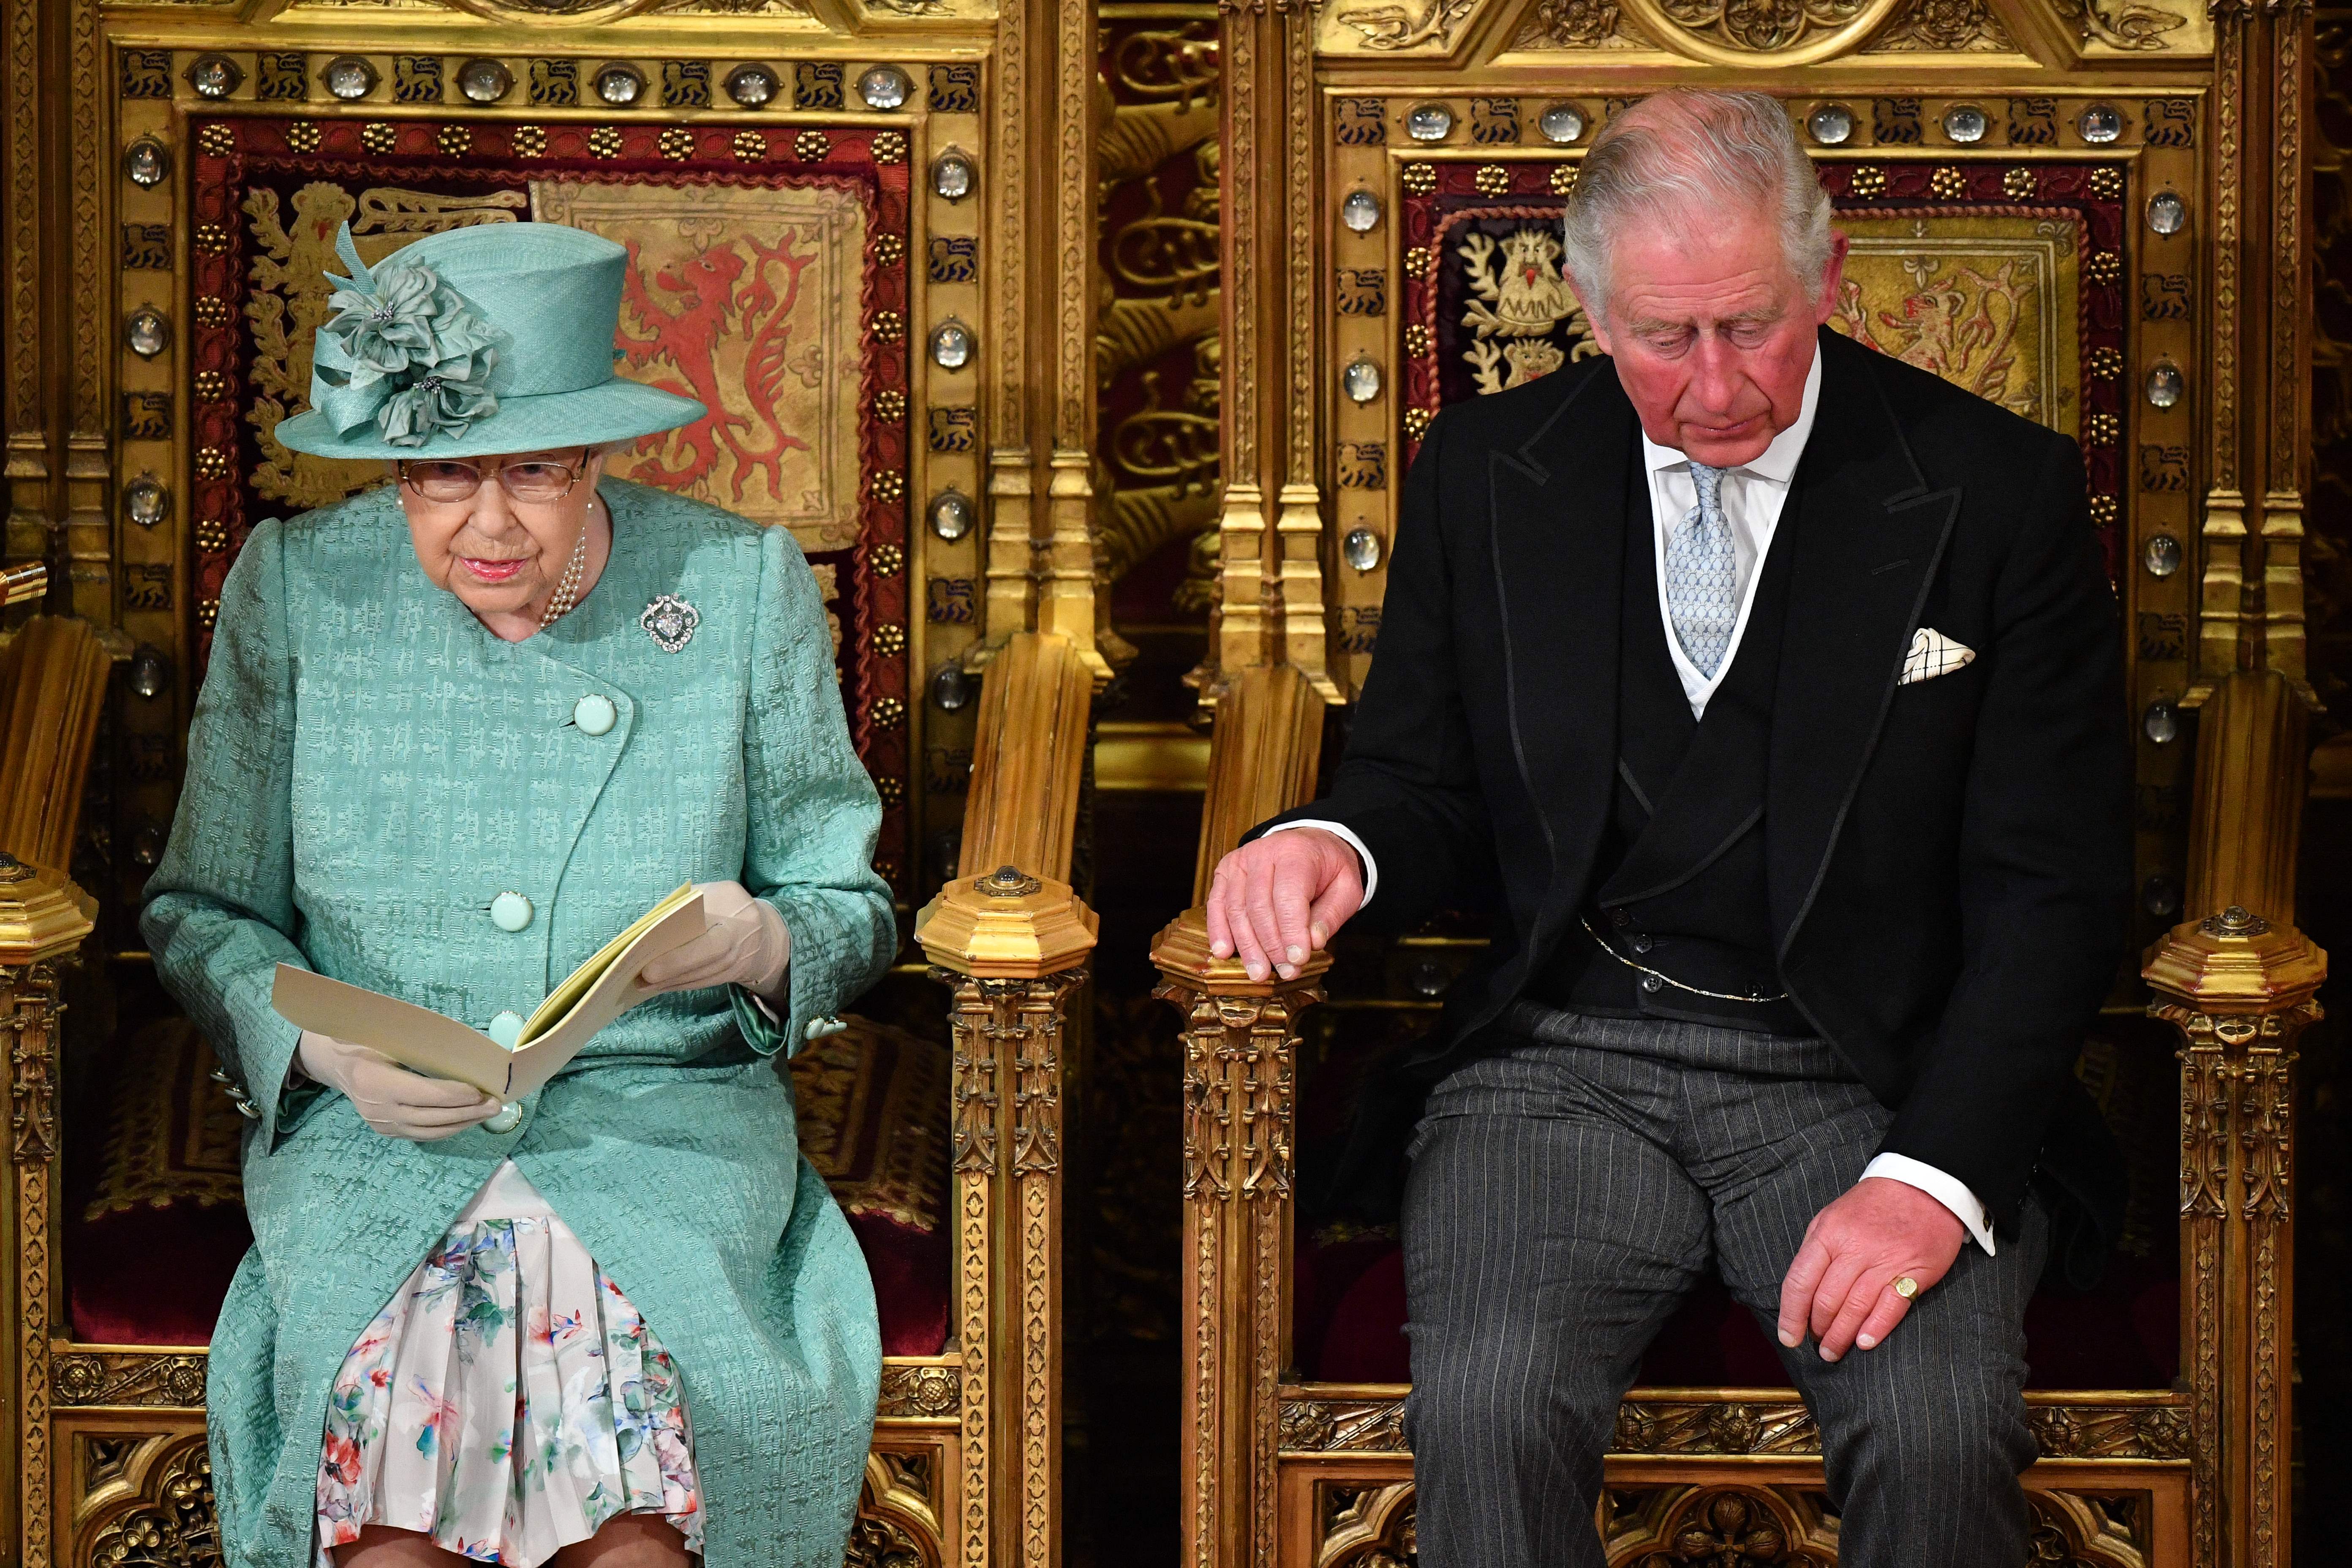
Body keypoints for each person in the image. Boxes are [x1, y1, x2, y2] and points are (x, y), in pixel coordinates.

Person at [1205, 89, 2131, 1565]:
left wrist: (1934, 1179)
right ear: (1585, 306)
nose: (1715, 386)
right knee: (1495, 1403)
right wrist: (1335, 845)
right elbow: (1423, 785)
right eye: (1662, 338)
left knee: (1941, 1428)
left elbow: (2057, 891)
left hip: (1868, 1080)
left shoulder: (1994, 490)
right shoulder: (1486, 472)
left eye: (1752, 326)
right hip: (1560, 1070)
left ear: (1826, 280)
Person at [142, 220, 895, 1568]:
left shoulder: (732, 586)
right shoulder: (303, 590)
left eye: (536, 475)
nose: (489, 525)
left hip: (658, 1135)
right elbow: (202, 911)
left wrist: (763, 941)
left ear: (597, 457)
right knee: (385, 1536)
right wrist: (320, 1049)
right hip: (381, 1143)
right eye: (441, 479)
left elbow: (849, 902)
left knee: (641, 1539)